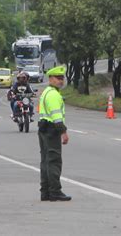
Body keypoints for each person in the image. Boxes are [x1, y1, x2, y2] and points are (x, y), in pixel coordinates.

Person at [38, 66, 71, 202]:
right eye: (58, 78)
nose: (61, 81)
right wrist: (63, 132)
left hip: (44, 129)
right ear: (50, 79)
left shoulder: (47, 92)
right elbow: (57, 117)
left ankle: (45, 192)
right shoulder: (53, 95)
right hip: (52, 130)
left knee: (46, 161)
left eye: (62, 78)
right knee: (54, 161)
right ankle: (55, 191)